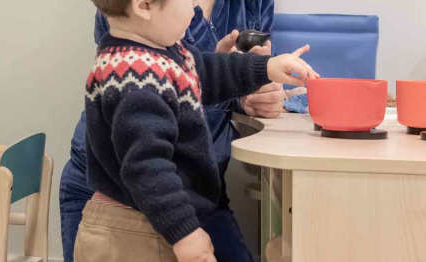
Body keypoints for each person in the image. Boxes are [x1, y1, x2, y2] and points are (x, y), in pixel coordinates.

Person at [75, 0, 318, 261]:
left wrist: (266, 68)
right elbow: (146, 167)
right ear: (144, 5)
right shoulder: (133, 79)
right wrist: (185, 233)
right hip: (135, 227)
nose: (195, 9)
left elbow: (206, 71)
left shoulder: (159, 55)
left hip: (155, 214)